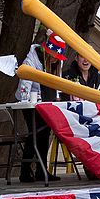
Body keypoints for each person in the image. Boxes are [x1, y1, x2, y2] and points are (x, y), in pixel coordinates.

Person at [15, 44, 61, 183]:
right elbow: (25, 85)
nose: (55, 60)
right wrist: (26, 99)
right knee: (35, 133)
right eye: (54, 56)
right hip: (28, 102)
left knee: (45, 133)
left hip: (44, 103)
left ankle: (41, 170)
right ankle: (25, 171)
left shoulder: (53, 65)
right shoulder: (31, 61)